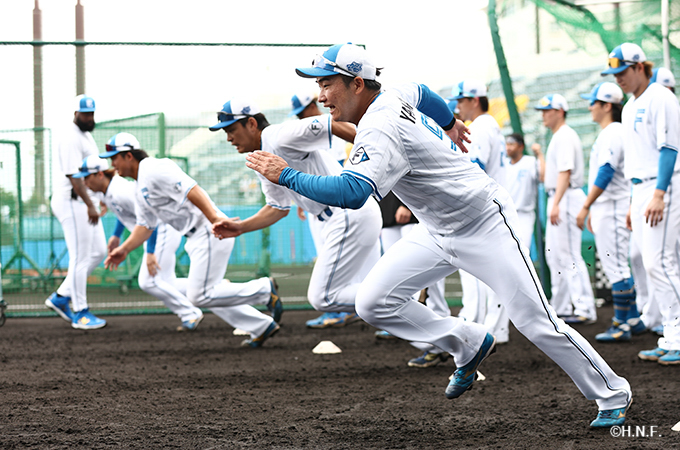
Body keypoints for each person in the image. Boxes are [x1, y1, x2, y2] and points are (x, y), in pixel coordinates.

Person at [245, 42, 632, 427]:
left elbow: (351, 192)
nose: (321, 95)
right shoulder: (391, 94)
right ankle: (466, 341)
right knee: (373, 301)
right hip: (436, 229)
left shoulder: (378, 126)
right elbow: (423, 92)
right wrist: (449, 123)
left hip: (484, 224)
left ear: (357, 84)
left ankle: (613, 392)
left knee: (535, 322)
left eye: (327, 83)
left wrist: (286, 174)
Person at [209, 98, 382, 328]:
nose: (229, 138)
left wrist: (376, 152)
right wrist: (241, 227)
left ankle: (400, 294)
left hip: (347, 214)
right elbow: (277, 208)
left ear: (251, 123)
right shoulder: (262, 154)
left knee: (323, 296)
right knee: (371, 289)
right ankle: (416, 317)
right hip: (349, 216)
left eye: (231, 130)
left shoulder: (279, 135)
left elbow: (330, 124)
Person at [101, 132, 281, 348]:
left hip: (209, 230)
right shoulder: (138, 186)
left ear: (129, 156)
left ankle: (264, 289)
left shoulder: (154, 168)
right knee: (206, 292)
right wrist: (124, 249)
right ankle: (261, 326)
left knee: (200, 295)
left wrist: (214, 218)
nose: (112, 164)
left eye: (115, 158)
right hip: (196, 236)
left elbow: (191, 189)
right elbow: (146, 226)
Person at [603, 43, 680, 365]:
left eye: (623, 72)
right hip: (639, 188)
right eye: (615, 74)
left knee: (660, 262)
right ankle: (670, 335)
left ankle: (677, 337)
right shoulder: (631, 105)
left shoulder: (661, 96)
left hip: (662, 185)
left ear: (639, 67)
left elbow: (670, 148)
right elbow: (636, 159)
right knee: (647, 261)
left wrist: (659, 193)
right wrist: (633, 202)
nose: (618, 78)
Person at [73, 152, 204, 331]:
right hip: (154, 231)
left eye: (87, 177)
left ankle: (190, 313)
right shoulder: (106, 192)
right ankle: (214, 287)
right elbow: (126, 213)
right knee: (167, 282)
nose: (85, 182)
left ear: (100, 174)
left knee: (148, 281)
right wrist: (116, 235)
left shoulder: (120, 191)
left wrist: (150, 253)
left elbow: (151, 218)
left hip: (161, 229)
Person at [575, 82, 646, 342]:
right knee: (617, 265)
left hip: (613, 205)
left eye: (593, 102)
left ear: (606, 106)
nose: (590, 107)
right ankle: (633, 318)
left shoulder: (614, 132)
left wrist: (586, 206)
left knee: (616, 267)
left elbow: (606, 172)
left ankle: (620, 324)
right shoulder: (611, 132)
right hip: (609, 205)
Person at [288, 91, 364, 328]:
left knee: (338, 258)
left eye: (303, 111)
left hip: (338, 201)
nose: (301, 116)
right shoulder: (312, 128)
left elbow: (341, 164)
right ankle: (345, 309)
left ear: (313, 105)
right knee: (333, 257)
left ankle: (342, 309)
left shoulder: (332, 123)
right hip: (322, 200)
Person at [449, 80, 509, 344]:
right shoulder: (491, 125)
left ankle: (476, 326)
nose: (458, 106)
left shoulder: (481, 127)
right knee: (491, 271)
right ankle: (494, 329)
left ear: (475, 100)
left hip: (480, 207)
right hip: (493, 205)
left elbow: (475, 169)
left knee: (473, 270)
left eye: (461, 100)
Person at [45, 95, 108, 330]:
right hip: (72, 202)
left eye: (91, 113)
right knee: (80, 257)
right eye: (85, 114)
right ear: (75, 113)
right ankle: (81, 312)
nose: (89, 118)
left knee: (98, 252)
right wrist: (91, 204)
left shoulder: (85, 135)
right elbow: (74, 176)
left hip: (85, 201)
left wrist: (99, 200)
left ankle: (61, 296)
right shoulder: (70, 137)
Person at [534, 94, 597, 324]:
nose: (543, 115)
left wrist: (557, 203)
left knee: (569, 254)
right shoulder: (558, 136)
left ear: (560, 111)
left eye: (547, 110)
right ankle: (561, 307)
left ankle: (585, 308)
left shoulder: (565, 135)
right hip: (559, 195)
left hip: (566, 195)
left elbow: (565, 172)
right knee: (555, 255)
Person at [377, 191, 451, 368]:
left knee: (426, 281)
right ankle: (433, 342)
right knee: (395, 279)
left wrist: (406, 205)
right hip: (387, 214)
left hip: (411, 214)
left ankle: (443, 340)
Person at [505, 133, 545, 249]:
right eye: (507, 144)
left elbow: (542, 177)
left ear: (521, 146)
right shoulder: (504, 164)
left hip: (524, 214)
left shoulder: (530, 162)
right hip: (506, 214)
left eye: (511, 144)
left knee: (522, 248)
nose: (508, 147)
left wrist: (539, 154)